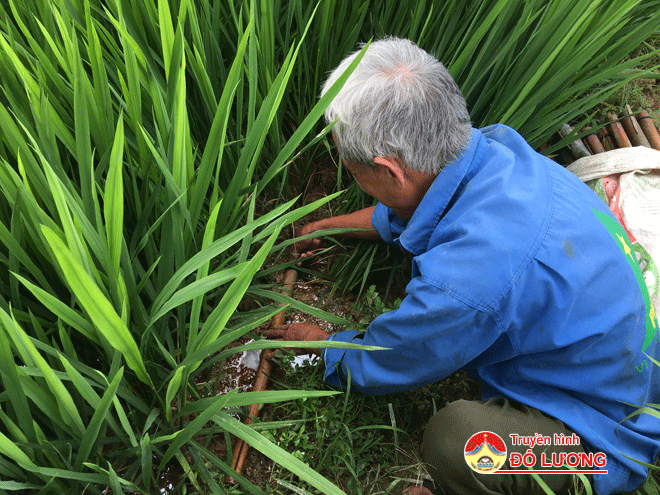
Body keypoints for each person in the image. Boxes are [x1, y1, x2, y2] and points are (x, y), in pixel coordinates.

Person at [263, 37, 660, 495]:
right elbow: (425, 203)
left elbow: (390, 359)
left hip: (607, 441)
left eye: (357, 174)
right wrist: (331, 226)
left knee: (460, 443)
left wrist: (324, 344)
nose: (360, 184)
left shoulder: (465, 282)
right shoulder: (497, 150)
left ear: (390, 170)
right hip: (629, 363)